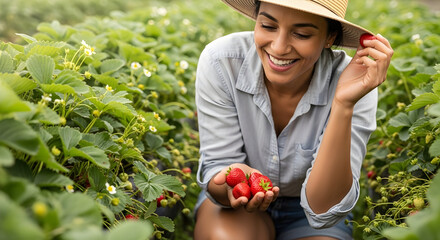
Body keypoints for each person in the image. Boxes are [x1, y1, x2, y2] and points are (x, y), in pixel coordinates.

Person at [193, 0, 393, 239]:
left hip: (306, 215)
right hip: (237, 210)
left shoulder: (354, 82)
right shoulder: (222, 62)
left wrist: (343, 104)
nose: (278, 48)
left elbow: (324, 211)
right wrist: (233, 180)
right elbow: (217, 168)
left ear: (330, 37)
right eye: (268, 25)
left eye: (301, 33)